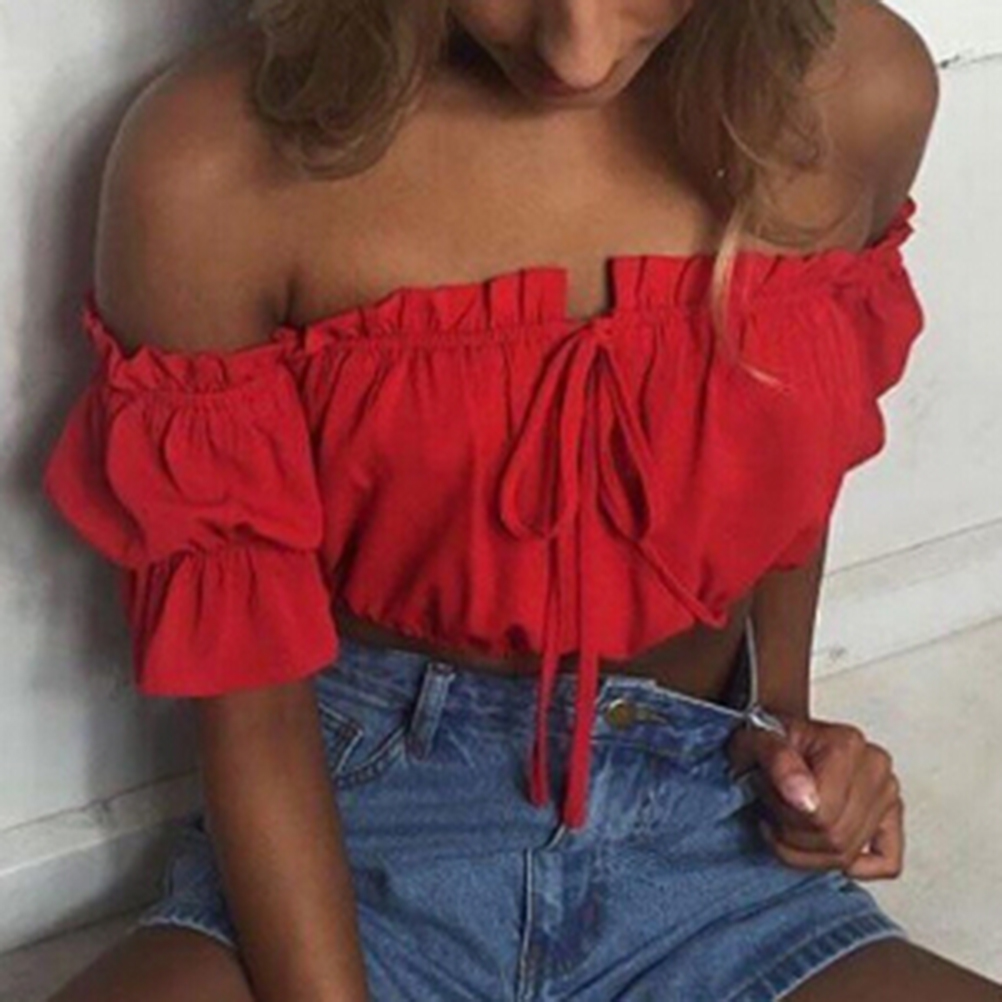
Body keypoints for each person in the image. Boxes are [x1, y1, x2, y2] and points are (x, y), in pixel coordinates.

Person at [39, 0, 1002, 999]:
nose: (576, 54)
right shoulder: (214, 163)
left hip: (708, 841)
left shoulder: (859, 93)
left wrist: (784, 731)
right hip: (342, 847)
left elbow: (794, 451)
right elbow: (250, 697)